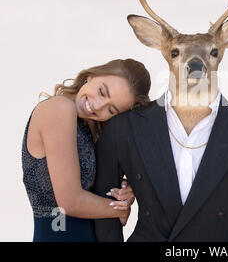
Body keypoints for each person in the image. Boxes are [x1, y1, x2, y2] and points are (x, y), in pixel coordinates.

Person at [22, 58, 151, 242]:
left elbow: (94, 191)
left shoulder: (90, 127)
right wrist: (118, 208)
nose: (97, 105)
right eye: (101, 91)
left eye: (111, 109)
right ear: (91, 76)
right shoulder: (59, 108)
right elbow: (70, 201)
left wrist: (122, 192)